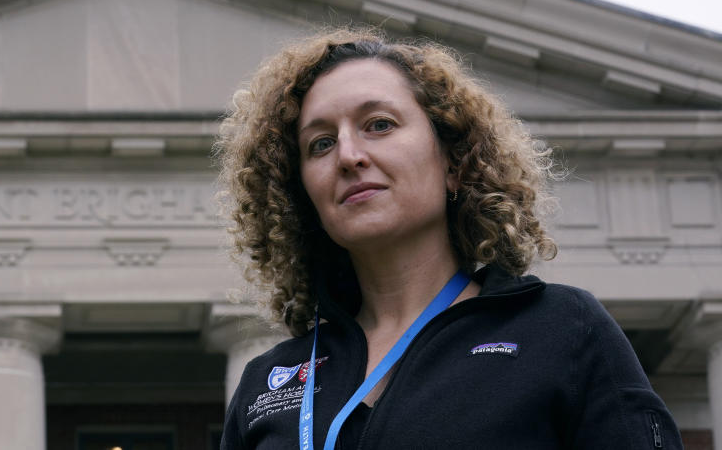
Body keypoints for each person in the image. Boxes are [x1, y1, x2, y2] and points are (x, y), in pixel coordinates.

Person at [215, 28, 682, 449]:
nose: (349, 155)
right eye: (320, 143)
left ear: (455, 163)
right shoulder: (267, 382)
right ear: (303, 196)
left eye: (379, 124)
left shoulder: (563, 330)